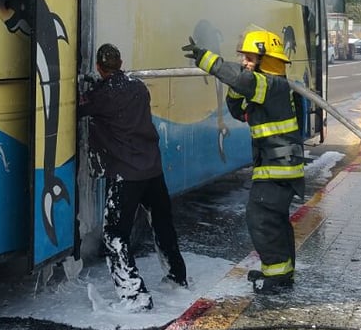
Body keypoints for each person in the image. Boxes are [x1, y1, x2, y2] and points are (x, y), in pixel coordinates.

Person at [181, 29, 303, 295]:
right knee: (275, 220)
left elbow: (242, 80)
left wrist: (207, 59)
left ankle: (278, 277)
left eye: (250, 57)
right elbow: (239, 111)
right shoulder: (266, 87)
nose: (246, 63)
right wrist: (235, 86)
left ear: (266, 59)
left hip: (277, 168)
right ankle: (280, 271)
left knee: (261, 218)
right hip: (277, 166)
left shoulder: (271, 85)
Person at [80, 43, 188, 312]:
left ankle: (134, 295)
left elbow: (81, 108)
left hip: (126, 175)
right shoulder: (139, 87)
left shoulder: (102, 96)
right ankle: (177, 277)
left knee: (115, 235)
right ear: (121, 61)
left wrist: (90, 89)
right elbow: (122, 99)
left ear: (98, 67)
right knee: (162, 224)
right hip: (153, 170)